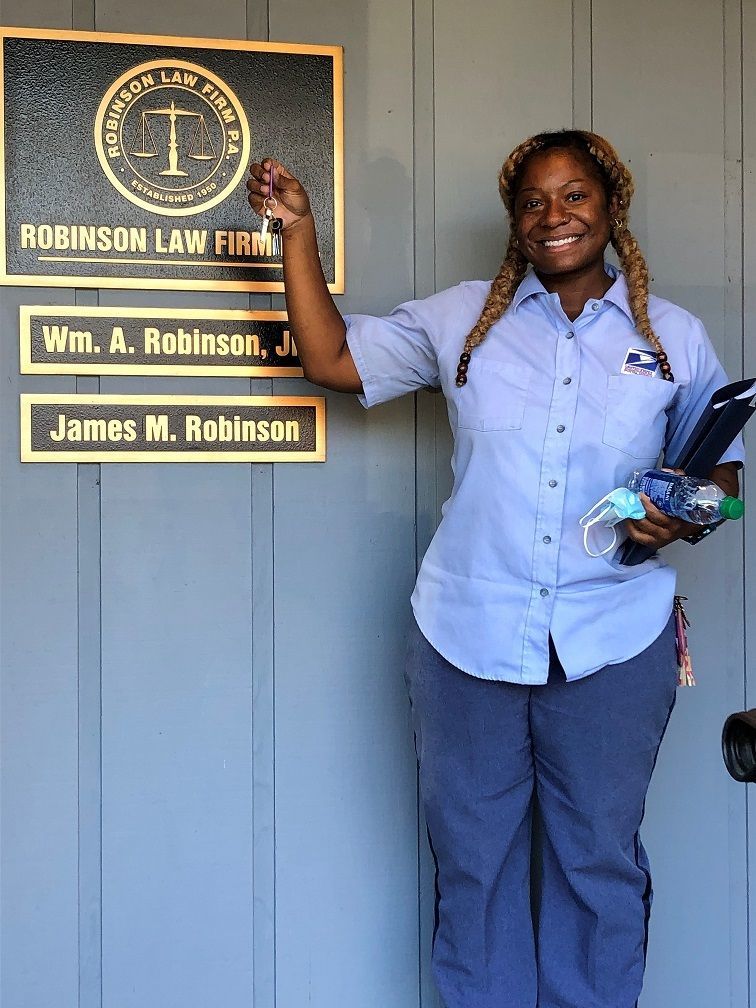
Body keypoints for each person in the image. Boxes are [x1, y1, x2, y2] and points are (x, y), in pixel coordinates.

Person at [247, 130, 744, 1008]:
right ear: (516, 222)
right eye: (534, 202)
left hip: (613, 641)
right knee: (475, 865)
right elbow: (329, 361)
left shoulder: (671, 336)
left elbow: (723, 475)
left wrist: (690, 513)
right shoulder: (459, 321)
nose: (554, 217)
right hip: (465, 636)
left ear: (611, 206)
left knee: (598, 860)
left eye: (575, 196)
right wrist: (299, 235)